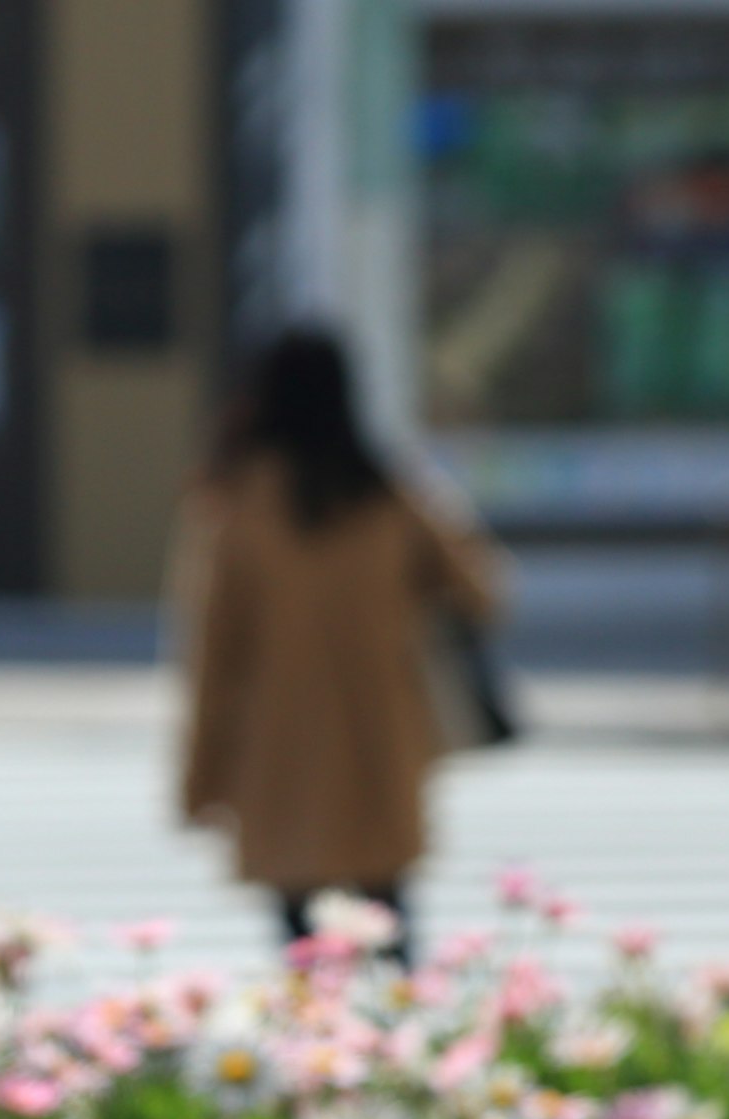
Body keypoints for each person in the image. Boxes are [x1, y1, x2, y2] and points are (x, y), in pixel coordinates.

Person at [177, 325, 506, 959]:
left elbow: (211, 659)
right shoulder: (387, 490)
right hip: (378, 736)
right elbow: (482, 591)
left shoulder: (233, 502)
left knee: (301, 948)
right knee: (390, 927)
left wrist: (201, 780)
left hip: (279, 748)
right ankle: (403, 1051)